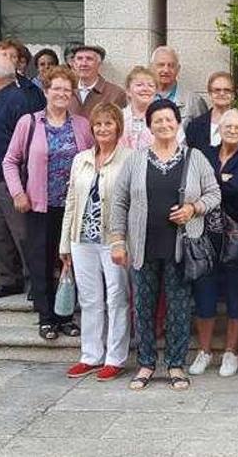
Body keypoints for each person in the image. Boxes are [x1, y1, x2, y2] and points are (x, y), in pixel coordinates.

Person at [110, 99, 220, 391]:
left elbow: (214, 193)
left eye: (169, 119)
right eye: (157, 120)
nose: (164, 125)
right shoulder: (135, 159)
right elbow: (119, 202)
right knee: (143, 308)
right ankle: (146, 363)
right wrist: (118, 241)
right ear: (149, 126)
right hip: (143, 247)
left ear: (178, 122)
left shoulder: (194, 158)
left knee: (179, 308)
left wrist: (193, 208)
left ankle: (175, 364)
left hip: (181, 247)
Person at [3, 66, 93, 339]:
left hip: (73, 208)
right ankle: (46, 317)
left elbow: (92, 158)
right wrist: (18, 192)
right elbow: (10, 161)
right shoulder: (29, 123)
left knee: (69, 261)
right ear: (46, 91)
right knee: (41, 261)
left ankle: (66, 315)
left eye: (67, 89)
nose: (62, 94)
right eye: (57, 88)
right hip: (39, 206)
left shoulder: (81, 124)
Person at [59, 103, 132, 382]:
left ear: (118, 127)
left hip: (114, 240)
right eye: (98, 124)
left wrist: (124, 241)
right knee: (89, 298)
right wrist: (65, 244)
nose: (103, 129)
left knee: (116, 297)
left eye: (108, 124)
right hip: (82, 238)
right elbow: (71, 201)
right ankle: (90, 355)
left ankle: (115, 357)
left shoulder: (130, 158)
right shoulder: (81, 159)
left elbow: (132, 203)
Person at [188, 108, 238, 378]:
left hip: (237, 235)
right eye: (228, 126)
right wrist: (224, 181)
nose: (232, 131)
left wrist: (213, 185)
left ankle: (231, 352)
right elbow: (194, 186)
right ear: (219, 129)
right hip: (205, 234)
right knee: (204, 291)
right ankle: (204, 351)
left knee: (235, 293)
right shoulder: (204, 154)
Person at [0, 55, 45, 300]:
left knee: (22, 235)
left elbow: (28, 146)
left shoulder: (18, 100)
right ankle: (9, 280)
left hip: (12, 180)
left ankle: (35, 282)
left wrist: (22, 184)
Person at [184, 71, 238, 152]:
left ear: (233, 94)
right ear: (210, 93)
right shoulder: (195, 126)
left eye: (227, 90)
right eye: (217, 90)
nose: (222, 93)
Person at [68, 45, 127, 118]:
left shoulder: (116, 94)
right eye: (79, 59)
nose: (83, 64)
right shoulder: (66, 90)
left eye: (89, 59)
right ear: (74, 64)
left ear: (99, 63)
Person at [149, 46, 200, 121]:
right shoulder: (141, 98)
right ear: (151, 68)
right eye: (161, 65)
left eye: (171, 66)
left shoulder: (193, 101)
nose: (166, 70)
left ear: (178, 69)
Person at [119, 66, 157, 150]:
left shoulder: (163, 118)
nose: (146, 89)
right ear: (128, 91)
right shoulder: (118, 117)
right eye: (139, 85)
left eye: (151, 85)